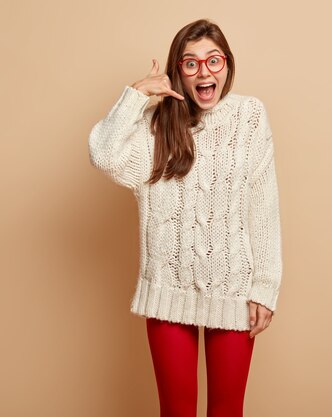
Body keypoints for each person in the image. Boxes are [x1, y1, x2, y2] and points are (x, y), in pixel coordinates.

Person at [87, 19, 283, 417]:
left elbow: (263, 204)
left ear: (227, 65)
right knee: (175, 412)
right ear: (178, 71)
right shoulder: (154, 126)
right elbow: (104, 156)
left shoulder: (249, 117)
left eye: (214, 60)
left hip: (233, 291)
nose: (204, 71)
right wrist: (137, 95)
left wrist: (265, 285)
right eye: (191, 64)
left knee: (227, 412)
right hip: (168, 291)